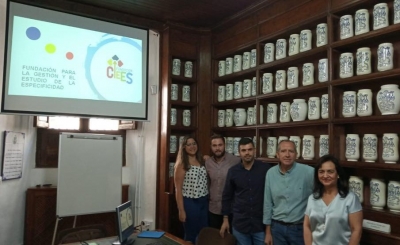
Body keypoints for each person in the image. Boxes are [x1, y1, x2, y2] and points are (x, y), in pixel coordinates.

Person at [220, 137, 271, 245]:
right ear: (239, 152)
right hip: (240, 224)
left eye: (249, 149)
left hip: (260, 225)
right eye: (243, 150)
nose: (247, 153)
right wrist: (225, 219)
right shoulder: (233, 172)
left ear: (254, 150)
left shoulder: (265, 169)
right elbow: (227, 196)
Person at [263, 139, 314, 245]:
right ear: (277, 154)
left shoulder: (309, 172)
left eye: (291, 151)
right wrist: (268, 232)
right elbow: (268, 204)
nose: (287, 155)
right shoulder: (270, 173)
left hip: (300, 229)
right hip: (277, 229)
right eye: (283, 151)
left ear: (296, 154)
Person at [304, 154, 363, 245]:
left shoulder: (350, 198)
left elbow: (356, 230)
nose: (325, 175)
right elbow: (307, 226)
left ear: (338, 174)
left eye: (330, 171)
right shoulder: (312, 198)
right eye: (321, 171)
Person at [174, 136, 208, 243]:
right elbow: (178, 189)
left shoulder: (202, 160)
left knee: (203, 233)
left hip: (204, 201)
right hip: (190, 202)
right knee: (191, 234)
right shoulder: (182, 165)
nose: (192, 146)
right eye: (189, 144)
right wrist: (181, 210)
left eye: (194, 143)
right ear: (184, 147)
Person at [205, 134, 241, 230]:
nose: (217, 148)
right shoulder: (207, 163)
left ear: (224, 145)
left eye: (220, 145)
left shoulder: (235, 161)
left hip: (231, 210)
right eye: (214, 145)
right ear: (211, 147)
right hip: (213, 209)